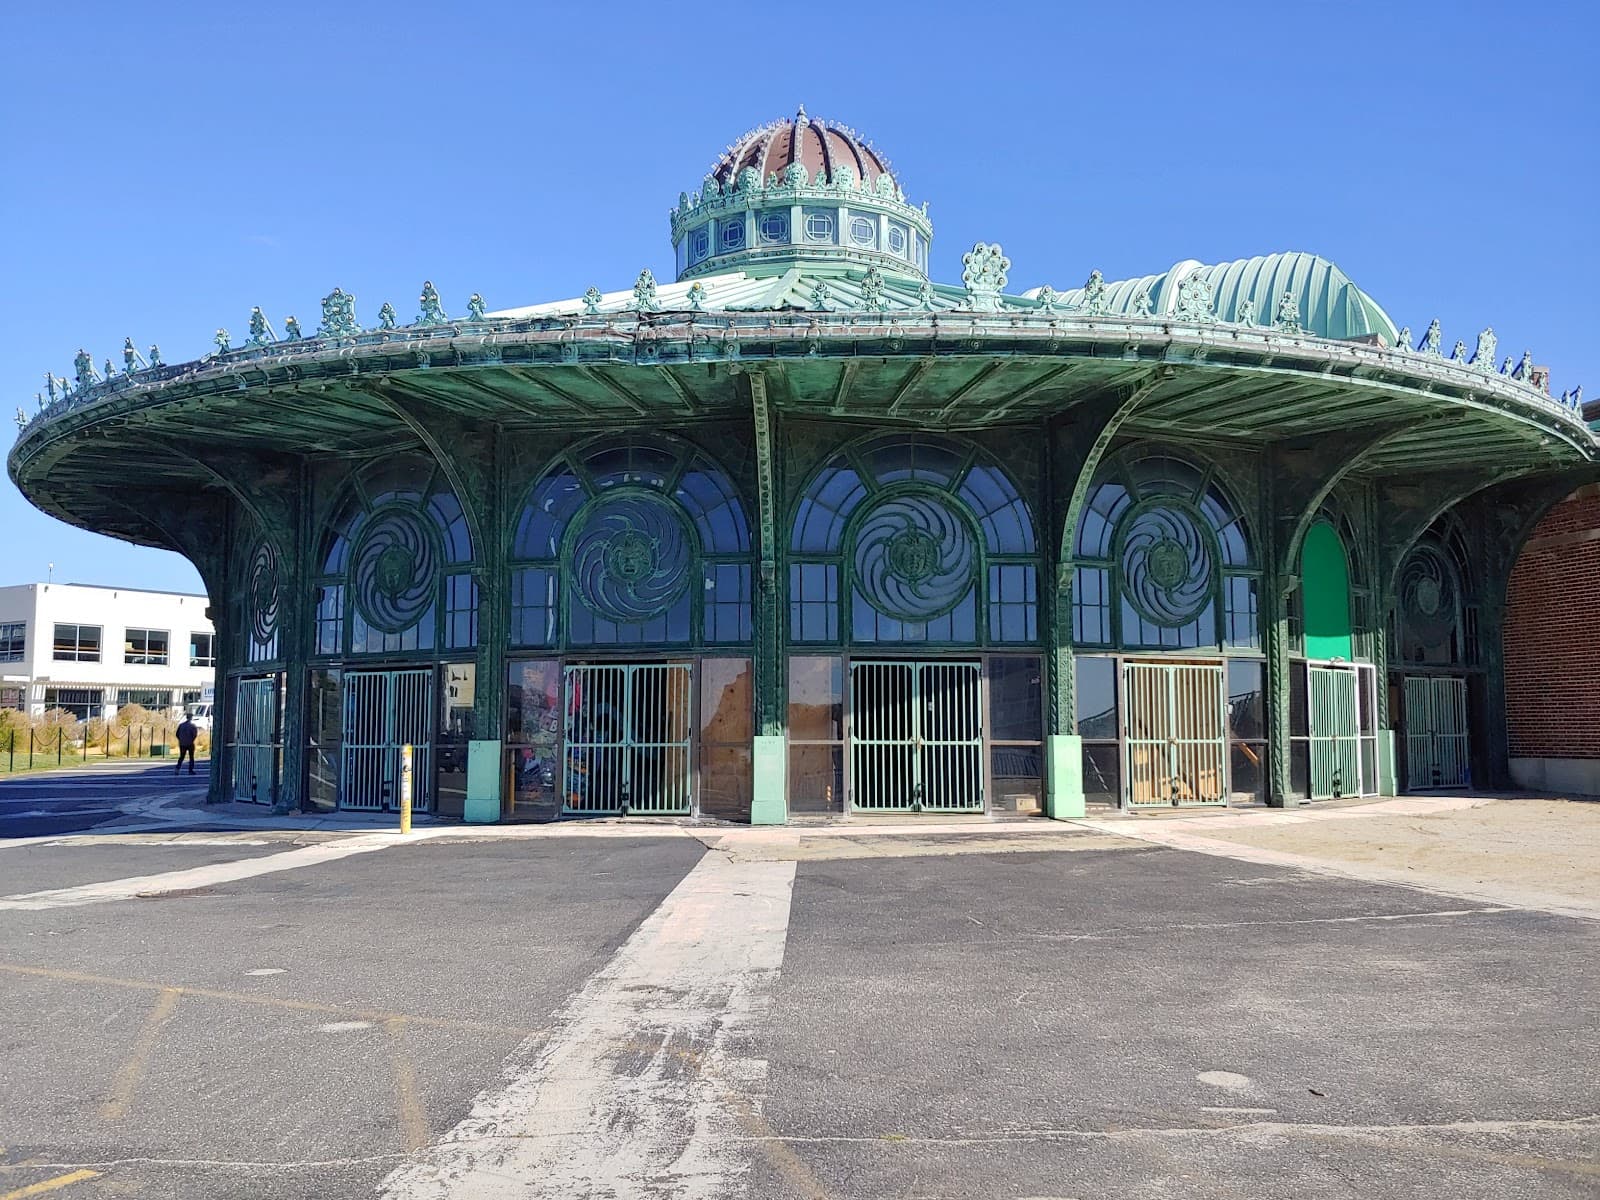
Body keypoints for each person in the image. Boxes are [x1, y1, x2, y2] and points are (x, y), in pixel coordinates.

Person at [175, 712, 199, 776]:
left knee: (181, 757)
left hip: (182, 743)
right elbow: (195, 734)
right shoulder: (192, 726)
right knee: (191, 757)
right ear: (191, 718)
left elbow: (177, 734)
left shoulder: (181, 725)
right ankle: (190, 770)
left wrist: (181, 739)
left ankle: (177, 769)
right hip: (190, 743)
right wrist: (191, 740)